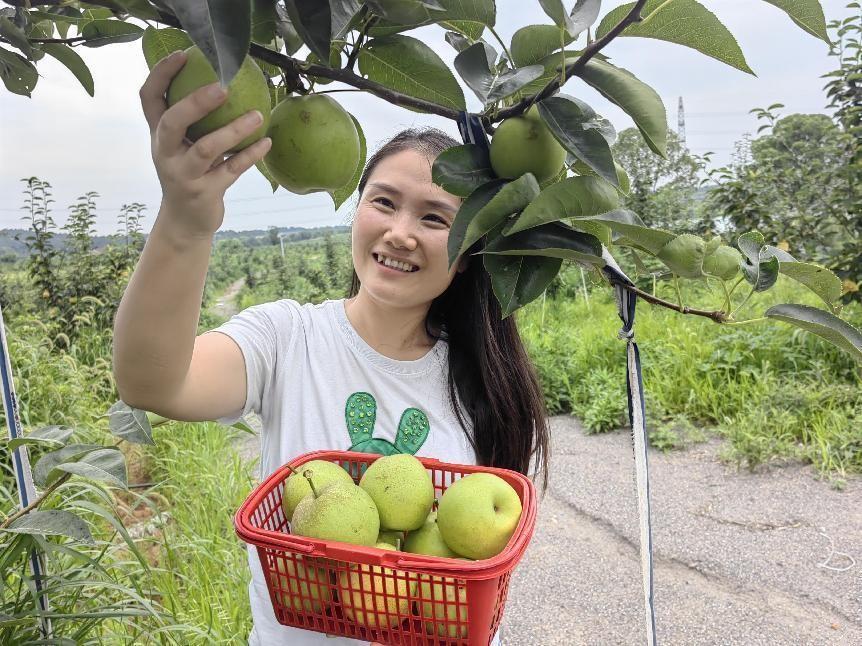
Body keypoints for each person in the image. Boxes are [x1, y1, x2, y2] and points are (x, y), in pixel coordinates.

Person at [114, 49, 550, 646]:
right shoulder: (286, 338)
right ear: (356, 211)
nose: (400, 232)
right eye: (384, 202)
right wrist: (187, 219)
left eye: (434, 218)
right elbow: (153, 382)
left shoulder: (483, 374)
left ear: (470, 247)